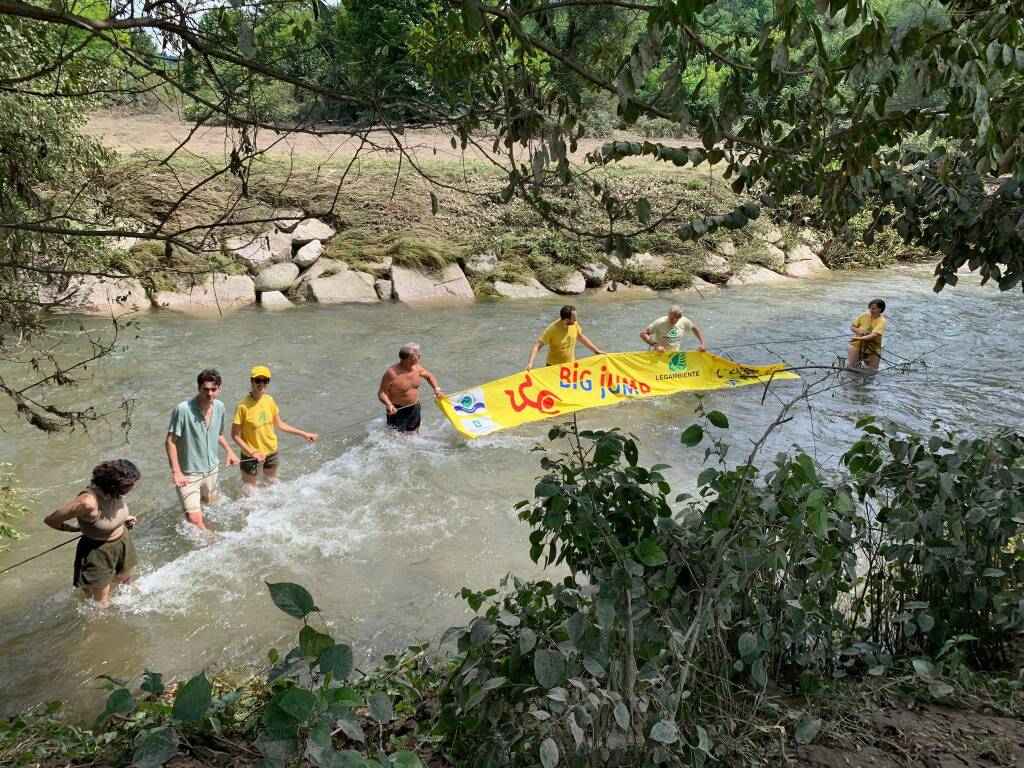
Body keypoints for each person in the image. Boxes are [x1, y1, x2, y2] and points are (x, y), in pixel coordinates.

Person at [44, 460, 140, 604]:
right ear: (116, 485)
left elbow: (110, 512)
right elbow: (51, 520)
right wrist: (74, 529)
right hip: (98, 551)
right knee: (99, 603)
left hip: (122, 542)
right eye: (129, 485)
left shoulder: (115, 492)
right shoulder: (87, 502)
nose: (131, 488)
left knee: (126, 584)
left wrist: (123, 519)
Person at [165, 369, 239, 530]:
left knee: (212, 508)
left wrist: (230, 451)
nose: (210, 393)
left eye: (214, 389)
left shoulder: (220, 407)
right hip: (188, 474)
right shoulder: (182, 410)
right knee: (194, 519)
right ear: (199, 388)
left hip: (212, 469)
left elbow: (218, 434)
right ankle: (212, 545)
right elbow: (170, 442)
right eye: (205, 389)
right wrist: (176, 472)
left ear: (219, 389)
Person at [231, 365, 318, 491]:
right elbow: (234, 435)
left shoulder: (269, 400)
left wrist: (304, 433)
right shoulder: (242, 406)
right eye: (258, 380)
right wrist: (253, 453)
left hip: (271, 452)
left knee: (271, 485)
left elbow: (280, 425)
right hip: (251, 456)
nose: (262, 383)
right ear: (252, 381)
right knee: (248, 492)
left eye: (265, 380)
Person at [378, 343, 445, 434]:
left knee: (415, 435)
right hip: (397, 410)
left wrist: (437, 389)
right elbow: (382, 393)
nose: (420, 357)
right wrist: (389, 404)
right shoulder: (392, 373)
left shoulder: (416, 368)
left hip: (415, 407)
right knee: (395, 437)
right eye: (418, 355)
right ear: (409, 358)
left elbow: (428, 376)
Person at [526, 305, 604, 370]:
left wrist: (596, 351)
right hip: (553, 368)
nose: (576, 320)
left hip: (570, 366)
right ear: (567, 320)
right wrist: (530, 363)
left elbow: (580, 337)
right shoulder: (552, 329)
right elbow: (538, 345)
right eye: (574, 318)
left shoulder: (574, 324)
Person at [640, 304, 707, 353]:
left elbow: (695, 328)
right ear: (669, 314)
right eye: (671, 318)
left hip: (675, 354)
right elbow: (643, 334)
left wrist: (703, 343)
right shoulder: (660, 322)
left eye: (676, 319)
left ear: (680, 317)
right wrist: (655, 345)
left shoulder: (684, 321)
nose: (673, 321)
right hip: (659, 353)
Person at [847, 299, 888, 371]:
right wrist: (859, 332)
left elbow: (873, 336)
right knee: (851, 370)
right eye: (870, 308)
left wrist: (857, 338)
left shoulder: (882, 321)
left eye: (873, 309)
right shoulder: (864, 315)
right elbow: (852, 327)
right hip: (857, 345)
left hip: (873, 348)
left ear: (880, 309)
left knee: (871, 373)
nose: (871, 310)